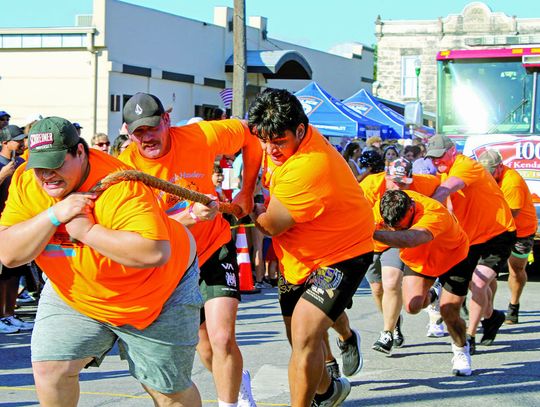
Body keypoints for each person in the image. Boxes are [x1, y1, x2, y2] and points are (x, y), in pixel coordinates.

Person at [0, 117, 203, 406]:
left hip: (155, 294)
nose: (47, 175)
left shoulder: (120, 184)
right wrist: (55, 215)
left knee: (167, 389)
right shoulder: (26, 180)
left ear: (80, 152)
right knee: (51, 369)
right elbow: (9, 254)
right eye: (40, 166)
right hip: (75, 294)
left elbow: (154, 252)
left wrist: (87, 231)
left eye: (56, 163)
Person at [119, 92, 261, 407]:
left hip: (214, 246)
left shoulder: (200, 135)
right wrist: (189, 216)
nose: (147, 137)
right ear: (128, 132)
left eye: (152, 127)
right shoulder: (126, 169)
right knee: (207, 347)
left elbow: (250, 134)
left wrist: (247, 190)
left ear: (167, 121)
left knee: (222, 338)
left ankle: (230, 402)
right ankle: (237, 383)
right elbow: (142, 232)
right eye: (138, 131)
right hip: (174, 259)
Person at [248, 88, 374, 407]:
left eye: (278, 141)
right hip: (299, 255)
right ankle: (329, 390)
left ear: (301, 131)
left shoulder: (309, 167)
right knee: (301, 343)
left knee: (305, 336)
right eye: (264, 140)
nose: (270, 149)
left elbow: (269, 225)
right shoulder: (282, 136)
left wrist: (244, 203)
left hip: (343, 253)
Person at [426, 134, 516, 356]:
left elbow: (447, 189)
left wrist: (428, 206)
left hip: (498, 233)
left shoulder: (466, 165)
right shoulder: (444, 171)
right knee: (472, 285)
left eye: (440, 157)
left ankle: (470, 335)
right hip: (471, 237)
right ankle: (491, 316)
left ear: (452, 151)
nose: (437, 162)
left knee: (478, 281)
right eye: (432, 158)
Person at [374, 189, 472, 375]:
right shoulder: (383, 209)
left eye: (400, 228)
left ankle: (461, 350)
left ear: (411, 208)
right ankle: (433, 295)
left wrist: (373, 234)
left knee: (449, 312)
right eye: (391, 227)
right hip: (420, 260)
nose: (395, 231)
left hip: (453, 258)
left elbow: (412, 238)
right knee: (412, 307)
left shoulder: (434, 212)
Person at [360, 158, 440, 354]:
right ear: (386, 177)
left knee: (391, 282)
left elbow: (442, 183)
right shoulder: (370, 186)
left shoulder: (424, 183)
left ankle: (386, 333)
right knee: (377, 289)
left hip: (396, 237)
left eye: (404, 183)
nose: (399, 186)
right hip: (370, 239)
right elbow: (355, 214)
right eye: (395, 182)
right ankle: (394, 321)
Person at [478, 149, 537, 324]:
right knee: (489, 271)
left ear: (500, 167)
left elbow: (512, 214)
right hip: (496, 229)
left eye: (491, 172)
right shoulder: (484, 177)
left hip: (521, 230)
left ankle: (514, 305)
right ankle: (489, 310)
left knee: (516, 269)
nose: (488, 176)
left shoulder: (512, 182)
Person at [0, 124, 33, 334]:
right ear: (4, 143)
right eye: (17, 139)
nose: (22, 143)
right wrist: (3, 174)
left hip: (18, 224)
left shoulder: (22, 162)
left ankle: (10, 315)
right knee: (1, 275)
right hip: (2, 226)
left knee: (14, 273)